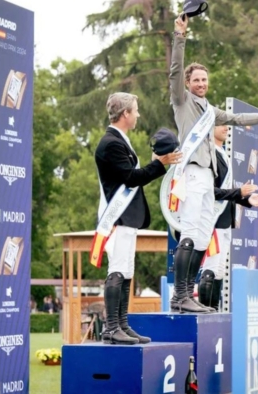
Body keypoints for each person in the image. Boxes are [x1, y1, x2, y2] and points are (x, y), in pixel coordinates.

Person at [169, 15, 258, 313]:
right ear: (188, 83)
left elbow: (239, 119)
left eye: (204, 79)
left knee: (201, 236)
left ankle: (188, 294)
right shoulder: (182, 101)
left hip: (206, 178)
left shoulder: (210, 110)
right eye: (196, 80)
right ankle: (179, 296)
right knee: (190, 234)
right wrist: (180, 35)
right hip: (190, 172)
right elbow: (174, 70)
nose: (201, 84)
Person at [95, 92, 182, 344]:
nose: (138, 115)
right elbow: (131, 178)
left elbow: (132, 176)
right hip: (118, 216)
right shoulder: (111, 143)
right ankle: (112, 328)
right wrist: (160, 164)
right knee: (118, 270)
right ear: (125, 114)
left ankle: (122, 323)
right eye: (135, 110)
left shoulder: (120, 140)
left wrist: (157, 163)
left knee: (127, 271)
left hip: (128, 216)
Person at [197, 126, 258, 311]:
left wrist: (246, 199)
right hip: (212, 219)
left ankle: (213, 312)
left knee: (219, 270)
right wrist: (239, 192)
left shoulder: (223, 154)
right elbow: (210, 191)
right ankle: (205, 312)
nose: (227, 128)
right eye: (221, 124)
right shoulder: (206, 155)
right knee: (211, 269)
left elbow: (228, 193)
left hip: (225, 219)